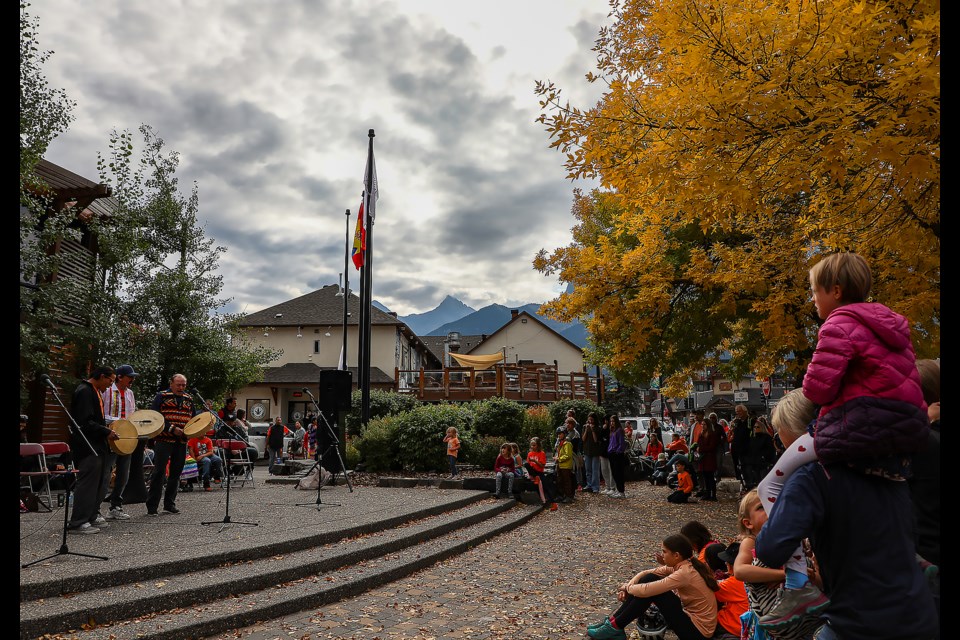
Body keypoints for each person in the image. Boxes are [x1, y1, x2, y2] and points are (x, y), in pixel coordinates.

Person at [755, 387, 937, 640]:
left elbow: (771, 548)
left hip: (860, 621)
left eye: (781, 440)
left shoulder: (811, 477)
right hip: (919, 614)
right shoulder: (888, 466)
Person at [585, 534, 719, 640]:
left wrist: (627, 588)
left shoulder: (685, 573)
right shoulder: (684, 564)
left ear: (676, 555)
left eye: (664, 552)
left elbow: (647, 590)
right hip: (690, 620)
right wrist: (630, 584)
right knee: (649, 578)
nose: (662, 555)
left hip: (698, 633)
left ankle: (615, 626)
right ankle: (614, 623)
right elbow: (647, 573)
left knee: (654, 592)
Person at [67, 366, 119, 534]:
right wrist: (106, 431)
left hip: (96, 445)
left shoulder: (94, 391)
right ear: (101, 376)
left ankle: (89, 517)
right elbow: (84, 422)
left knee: (97, 484)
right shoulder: (84, 391)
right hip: (87, 446)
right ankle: (77, 522)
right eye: (110, 380)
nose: (110, 385)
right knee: (87, 483)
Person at [146, 373, 198, 516]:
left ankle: (169, 504)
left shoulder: (189, 398)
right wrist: (172, 428)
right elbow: (155, 416)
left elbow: (193, 418)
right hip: (164, 439)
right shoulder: (161, 396)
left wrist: (191, 431)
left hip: (181, 441)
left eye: (183, 385)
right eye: (178, 384)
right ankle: (152, 506)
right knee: (159, 472)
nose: (181, 387)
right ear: (171, 384)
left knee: (176, 473)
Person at [101, 364, 139, 521]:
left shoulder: (130, 393)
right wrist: (119, 422)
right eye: (130, 377)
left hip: (126, 436)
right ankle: (95, 508)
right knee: (106, 471)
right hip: (110, 434)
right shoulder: (107, 390)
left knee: (124, 472)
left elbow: (132, 414)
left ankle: (116, 505)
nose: (132, 380)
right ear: (120, 377)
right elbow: (102, 414)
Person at [712, 542, 749, 639]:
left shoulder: (735, 581)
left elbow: (711, 590)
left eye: (728, 561)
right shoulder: (753, 577)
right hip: (747, 628)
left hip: (729, 627)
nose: (725, 563)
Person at [697, 415, 720, 501]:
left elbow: (712, 447)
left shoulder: (712, 434)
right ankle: (707, 493)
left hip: (709, 458)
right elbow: (699, 443)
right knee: (705, 476)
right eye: (702, 424)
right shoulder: (701, 434)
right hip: (703, 458)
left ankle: (713, 495)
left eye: (704, 424)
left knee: (710, 477)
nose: (703, 426)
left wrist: (701, 448)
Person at [524, 437, 552, 505]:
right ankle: (535, 477)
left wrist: (535, 461)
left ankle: (546, 500)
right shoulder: (529, 453)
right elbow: (528, 464)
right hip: (532, 472)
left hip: (539, 471)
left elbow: (542, 466)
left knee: (543, 485)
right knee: (526, 464)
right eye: (531, 445)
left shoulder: (541, 453)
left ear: (538, 445)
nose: (532, 447)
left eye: (534, 445)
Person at [730, 405, 752, 485]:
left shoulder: (750, 421)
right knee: (738, 469)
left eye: (739, 411)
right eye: (736, 412)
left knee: (747, 469)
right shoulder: (737, 422)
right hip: (736, 449)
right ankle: (742, 484)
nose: (738, 413)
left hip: (746, 450)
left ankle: (749, 485)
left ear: (745, 411)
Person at [581, 412, 602, 493]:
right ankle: (589, 485)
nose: (590, 421)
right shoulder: (584, 427)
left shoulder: (597, 427)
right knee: (588, 470)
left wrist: (593, 430)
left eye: (592, 419)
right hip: (587, 451)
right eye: (589, 419)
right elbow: (583, 439)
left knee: (595, 470)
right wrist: (586, 429)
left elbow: (596, 440)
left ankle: (595, 487)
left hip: (595, 452)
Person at [607, 414, 627, 498]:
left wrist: (618, 451)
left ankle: (621, 491)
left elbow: (621, 443)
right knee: (614, 473)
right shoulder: (612, 431)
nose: (612, 423)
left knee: (618, 473)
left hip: (617, 454)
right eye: (611, 421)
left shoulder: (619, 431)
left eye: (613, 421)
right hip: (611, 453)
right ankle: (618, 490)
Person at [598, 415, 613, 495]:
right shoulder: (603, 429)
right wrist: (603, 429)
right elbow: (599, 438)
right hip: (603, 452)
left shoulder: (612, 430)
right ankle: (607, 486)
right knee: (604, 470)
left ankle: (612, 487)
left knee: (610, 470)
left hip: (610, 452)